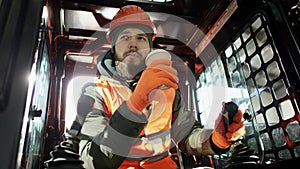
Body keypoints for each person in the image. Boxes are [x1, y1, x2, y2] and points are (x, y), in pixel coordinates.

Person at [67, 5, 246, 169]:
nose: (133, 43)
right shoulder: (95, 92)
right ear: (113, 44)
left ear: (150, 44)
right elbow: (92, 161)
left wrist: (217, 140)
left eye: (140, 38)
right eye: (125, 37)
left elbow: (187, 137)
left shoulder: (168, 91)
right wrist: (134, 106)